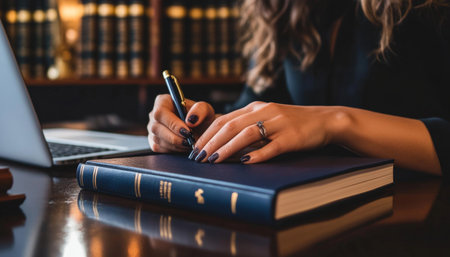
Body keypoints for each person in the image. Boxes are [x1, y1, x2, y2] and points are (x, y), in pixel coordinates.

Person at [148, 0, 450, 177]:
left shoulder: (429, 10)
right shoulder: (286, 12)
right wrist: (199, 126)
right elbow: (254, 111)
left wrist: (336, 123)